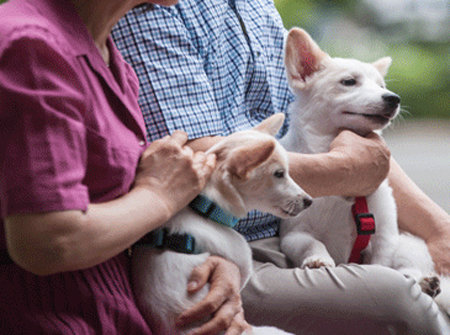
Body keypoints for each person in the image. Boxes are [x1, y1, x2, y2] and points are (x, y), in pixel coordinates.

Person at [112, 0, 450, 334]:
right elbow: (199, 155)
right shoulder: (152, 9)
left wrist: (438, 229)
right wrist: (344, 171)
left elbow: (345, 142)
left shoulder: (255, 5)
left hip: (284, 231)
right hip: (215, 246)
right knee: (399, 302)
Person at [0, 0, 250, 334]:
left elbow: (124, 221)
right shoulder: (31, 44)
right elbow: (48, 241)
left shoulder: (108, 56)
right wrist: (159, 197)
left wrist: (207, 264)